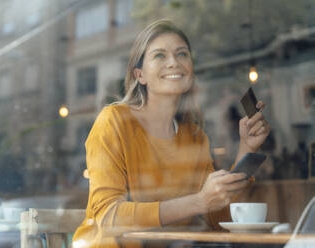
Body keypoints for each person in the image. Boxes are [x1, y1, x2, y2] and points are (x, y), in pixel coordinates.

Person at [72, 19, 271, 248]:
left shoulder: (195, 138)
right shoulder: (114, 122)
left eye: (182, 54)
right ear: (140, 75)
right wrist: (198, 201)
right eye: (159, 56)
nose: (174, 63)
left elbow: (219, 219)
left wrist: (247, 148)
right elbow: (108, 217)